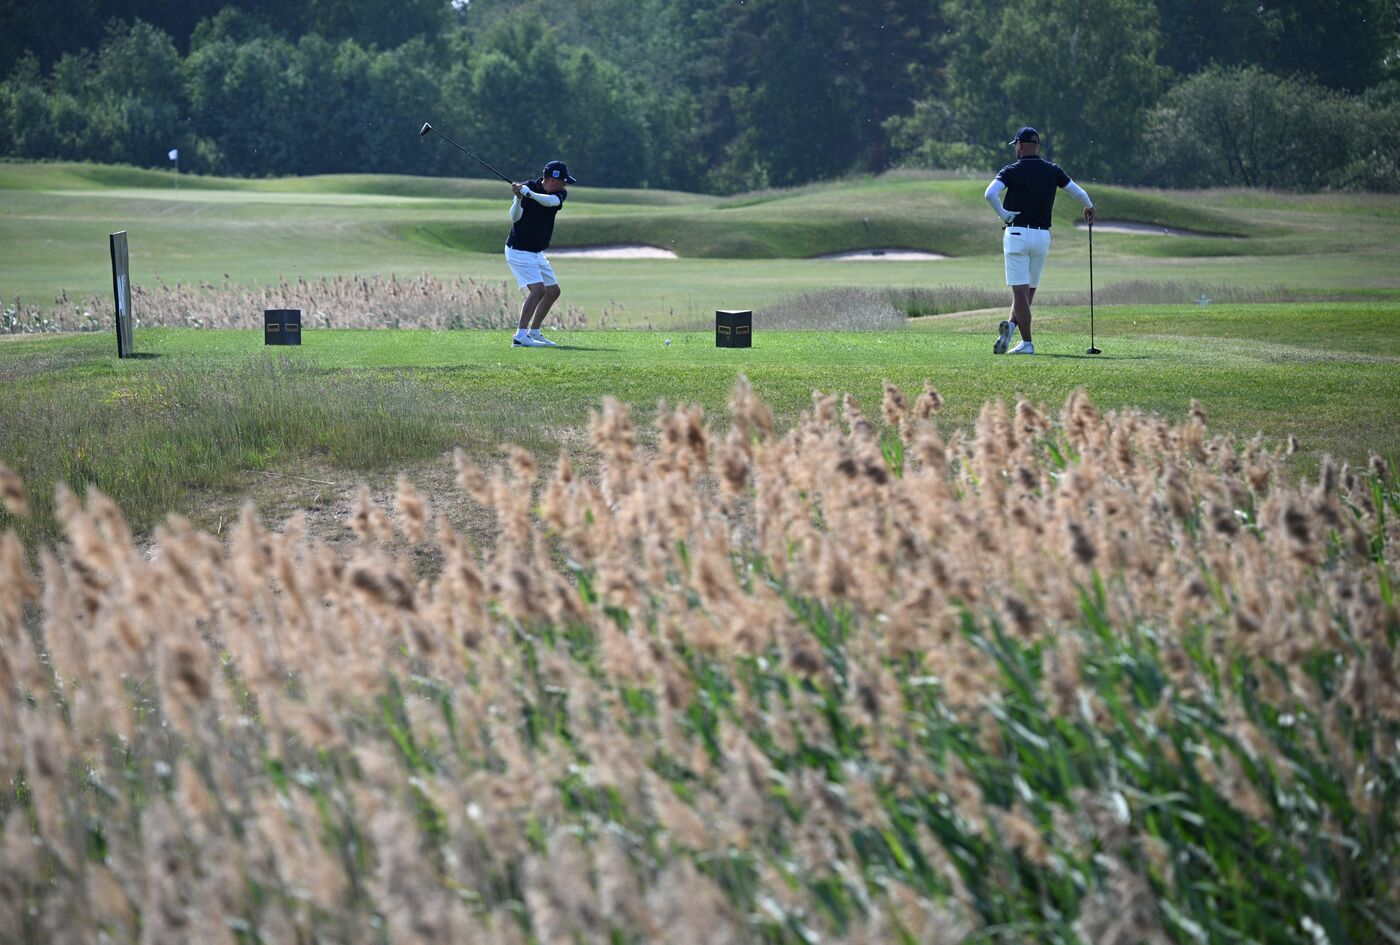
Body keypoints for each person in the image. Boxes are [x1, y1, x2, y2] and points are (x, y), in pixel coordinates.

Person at [984, 128, 1096, 355]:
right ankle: (1012, 327)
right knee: (1028, 292)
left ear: (1021, 145)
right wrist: (1089, 207)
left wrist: (1004, 215)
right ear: (1036, 145)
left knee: (1019, 293)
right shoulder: (1052, 170)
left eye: (1016, 145)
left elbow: (989, 194)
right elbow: (1079, 193)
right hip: (1042, 237)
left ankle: (1027, 343)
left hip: (1017, 235)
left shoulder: (1011, 170)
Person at [506, 160, 577, 347]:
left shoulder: (559, 194)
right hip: (519, 250)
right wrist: (519, 198)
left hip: (536, 251)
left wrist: (529, 194)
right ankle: (520, 337)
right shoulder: (527, 188)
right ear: (553, 180)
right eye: (563, 180)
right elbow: (514, 217)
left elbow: (548, 202)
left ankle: (534, 332)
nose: (565, 184)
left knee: (553, 291)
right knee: (538, 291)